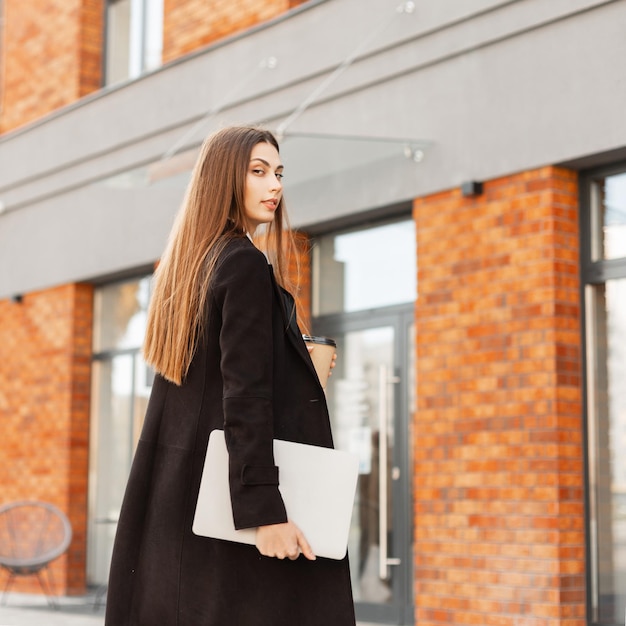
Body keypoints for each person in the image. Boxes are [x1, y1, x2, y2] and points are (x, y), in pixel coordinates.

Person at [104, 126, 356, 625]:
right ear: (224, 179)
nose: (274, 185)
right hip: (234, 507)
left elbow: (217, 384)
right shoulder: (242, 263)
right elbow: (245, 396)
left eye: (279, 173)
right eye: (258, 172)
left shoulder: (193, 266)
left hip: (183, 501)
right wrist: (265, 513)